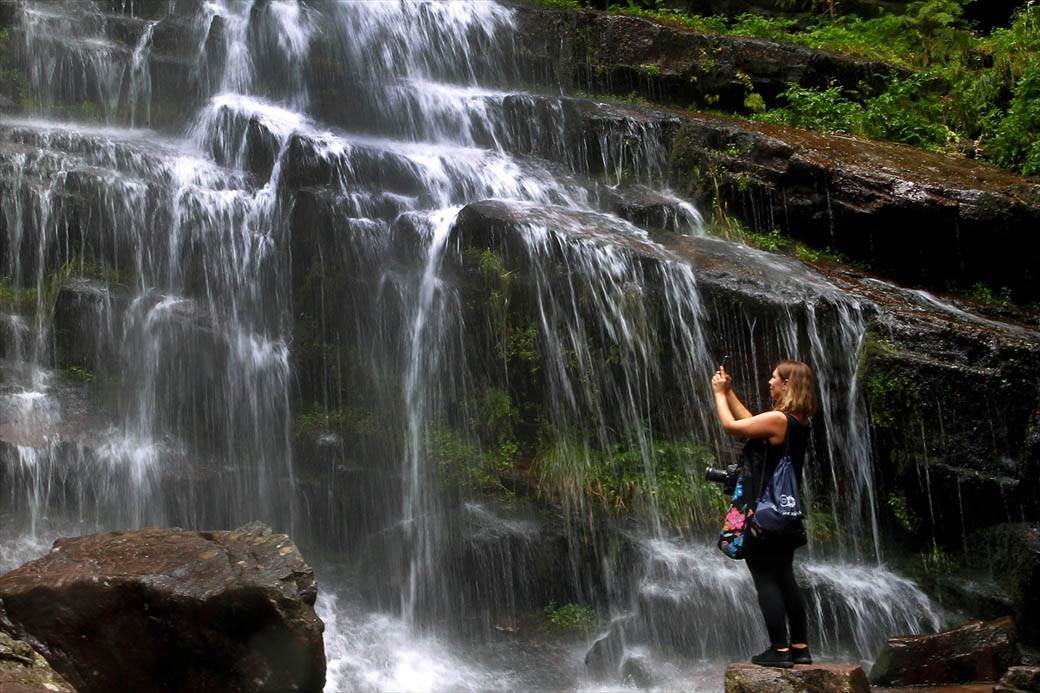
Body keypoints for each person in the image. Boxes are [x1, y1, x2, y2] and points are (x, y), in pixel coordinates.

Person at [711, 359, 816, 669]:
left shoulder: (780, 421)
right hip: (786, 513)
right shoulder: (797, 421)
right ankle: (800, 648)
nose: (769, 382)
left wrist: (718, 394)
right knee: (785, 577)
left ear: (787, 385)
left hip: (764, 514)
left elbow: (733, 427)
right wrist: (730, 392)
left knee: (764, 577)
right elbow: (754, 423)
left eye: (774, 378)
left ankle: (779, 650)